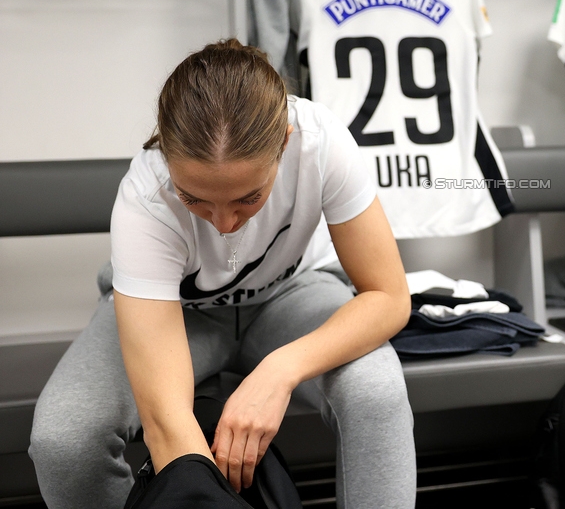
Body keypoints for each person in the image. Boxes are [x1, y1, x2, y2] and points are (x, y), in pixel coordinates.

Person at [29, 40, 416, 509]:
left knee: (376, 392)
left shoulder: (320, 141)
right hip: (178, 314)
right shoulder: (145, 199)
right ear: (168, 161)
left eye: (247, 199)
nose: (225, 224)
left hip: (289, 296)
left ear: (285, 142)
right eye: (195, 200)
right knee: (64, 441)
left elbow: (389, 295)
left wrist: (280, 370)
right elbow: (168, 426)